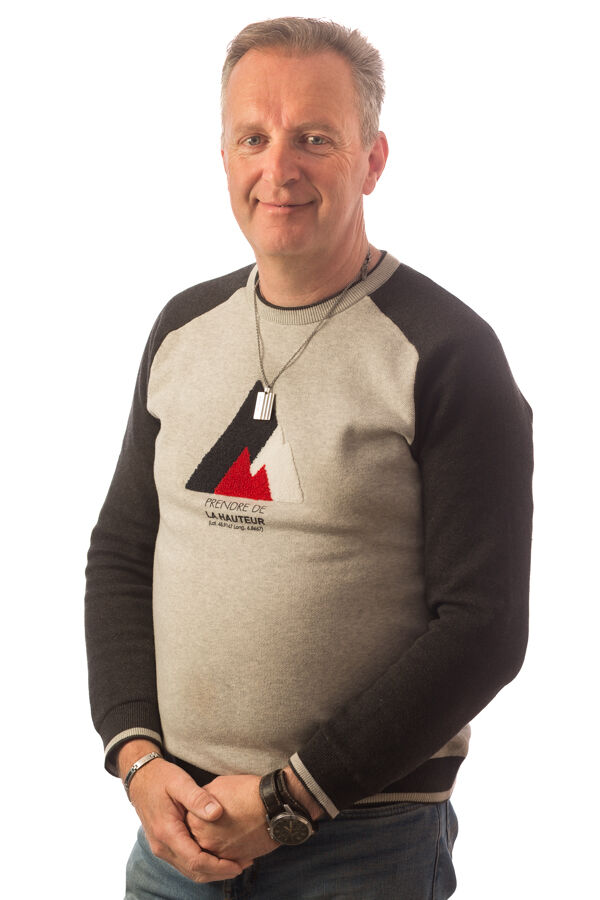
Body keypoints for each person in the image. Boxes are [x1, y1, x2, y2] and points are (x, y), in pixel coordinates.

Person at [85, 16, 533, 900]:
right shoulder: (182, 329)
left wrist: (288, 800)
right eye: (253, 137)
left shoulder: (449, 352)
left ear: (373, 160)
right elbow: (122, 554)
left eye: (315, 139)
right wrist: (136, 758)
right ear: (223, 156)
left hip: (363, 846)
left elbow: (484, 629)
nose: (278, 168)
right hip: (176, 833)